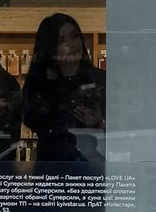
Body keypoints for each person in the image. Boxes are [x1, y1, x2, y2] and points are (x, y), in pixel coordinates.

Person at [22, 14, 106, 162]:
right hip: (51, 162)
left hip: (91, 161)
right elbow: (30, 118)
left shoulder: (99, 80)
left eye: (75, 36)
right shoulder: (41, 83)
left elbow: (125, 128)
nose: (71, 44)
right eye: (61, 41)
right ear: (50, 47)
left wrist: (100, 124)